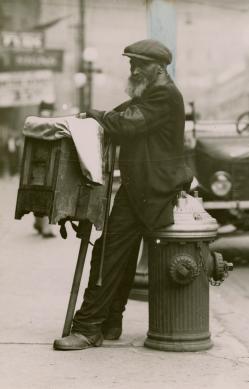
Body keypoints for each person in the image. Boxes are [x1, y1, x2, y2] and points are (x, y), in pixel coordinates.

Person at [53, 39, 193, 350]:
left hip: (151, 190)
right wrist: (99, 115)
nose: (132, 69)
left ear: (156, 68)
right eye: (131, 63)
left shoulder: (163, 95)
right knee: (119, 253)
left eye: (138, 65)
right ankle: (110, 321)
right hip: (144, 187)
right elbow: (123, 112)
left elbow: (126, 125)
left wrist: (93, 115)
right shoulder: (153, 94)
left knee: (108, 254)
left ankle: (89, 327)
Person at [33, 101, 56, 238]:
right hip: (42, 165)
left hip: (40, 165)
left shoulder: (35, 123)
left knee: (40, 196)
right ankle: (43, 225)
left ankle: (41, 224)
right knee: (43, 196)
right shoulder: (47, 123)